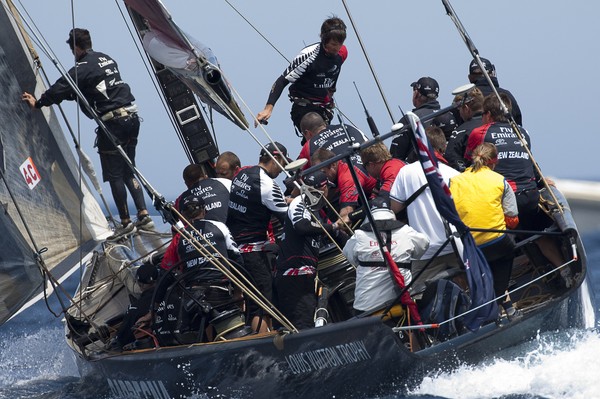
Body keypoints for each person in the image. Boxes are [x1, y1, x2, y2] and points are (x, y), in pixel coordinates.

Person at [21, 28, 151, 239]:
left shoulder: (82, 67)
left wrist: (39, 103)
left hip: (113, 124)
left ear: (76, 48)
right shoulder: (107, 59)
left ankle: (126, 222)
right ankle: (144, 215)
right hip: (132, 119)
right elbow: (95, 88)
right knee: (128, 169)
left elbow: (60, 88)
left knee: (115, 174)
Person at [465, 94, 565, 271]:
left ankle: (504, 292)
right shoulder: (522, 131)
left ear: (488, 114)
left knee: (498, 244)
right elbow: (529, 161)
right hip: (530, 197)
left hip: (505, 202)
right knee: (539, 233)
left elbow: (469, 162)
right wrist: (542, 182)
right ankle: (563, 268)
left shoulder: (479, 133)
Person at [158, 195, 244, 343]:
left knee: (196, 325)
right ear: (204, 211)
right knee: (234, 317)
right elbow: (237, 260)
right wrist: (238, 292)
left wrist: (153, 306)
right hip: (220, 291)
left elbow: (164, 273)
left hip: (193, 297)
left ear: (183, 215)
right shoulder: (219, 227)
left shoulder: (179, 237)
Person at [450, 142, 520, 318]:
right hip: (498, 242)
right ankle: (505, 307)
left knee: (481, 267)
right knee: (505, 250)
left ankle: (495, 307)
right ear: (494, 161)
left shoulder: (454, 182)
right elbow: (512, 219)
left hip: (471, 248)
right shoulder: (499, 180)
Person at [389, 129, 464, 295]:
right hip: (456, 245)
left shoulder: (406, 172)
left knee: (419, 296)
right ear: (442, 148)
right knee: (468, 288)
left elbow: (395, 208)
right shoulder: (455, 174)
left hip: (426, 253)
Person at [226, 142, 289, 332]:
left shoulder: (242, 175)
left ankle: (266, 336)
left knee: (259, 302)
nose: (283, 169)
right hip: (253, 252)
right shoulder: (267, 184)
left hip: (237, 249)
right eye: (283, 164)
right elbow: (287, 217)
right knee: (261, 304)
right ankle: (264, 346)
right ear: (276, 159)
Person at [255, 17, 348, 136]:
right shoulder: (309, 56)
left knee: (329, 141)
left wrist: (331, 91)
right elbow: (282, 81)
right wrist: (268, 108)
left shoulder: (342, 53)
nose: (337, 48)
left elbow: (333, 71)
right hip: (304, 107)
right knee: (318, 136)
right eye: (334, 44)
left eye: (341, 44)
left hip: (324, 108)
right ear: (324, 40)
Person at [275, 171, 344, 329]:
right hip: (293, 277)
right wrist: (333, 226)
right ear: (323, 188)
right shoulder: (301, 201)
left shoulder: (318, 211)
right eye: (328, 188)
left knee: (310, 324)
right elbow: (301, 226)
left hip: (306, 277)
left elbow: (336, 234)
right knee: (301, 327)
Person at [343, 198, 429, 314]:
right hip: (402, 300)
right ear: (390, 211)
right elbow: (424, 244)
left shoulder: (359, 235)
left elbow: (349, 256)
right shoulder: (406, 232)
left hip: (367, 305)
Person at [311, 147, 377, 224]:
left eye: (323, 173)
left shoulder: (347, 177)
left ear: (333, 165)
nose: (321, 177)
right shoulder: (339, 162)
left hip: (375, 198)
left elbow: (345, 216)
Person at [108, 262, 159, 351]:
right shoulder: (172, 292)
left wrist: (117, 340)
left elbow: (124, 335)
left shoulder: (136, 308)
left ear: (140, 284)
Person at [390, 76, 441, 162]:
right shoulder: (448, 115)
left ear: (417, 93)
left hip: (417, 169)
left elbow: (395, 157)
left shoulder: (409, 119)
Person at [296, 112, 368, 170]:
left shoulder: (309, 145)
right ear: (324, 124)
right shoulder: (348, 127)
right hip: (370, 169)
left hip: (347, 180)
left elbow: (297, 171)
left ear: (308, 133)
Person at [467, 57, 522, 126]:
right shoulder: (507, 96)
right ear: (492, 74)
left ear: (470, 78)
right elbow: (518, 124)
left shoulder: (465, 97)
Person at [445, 87, 484, 171]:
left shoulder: (460, 132)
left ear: (466, 108)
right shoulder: (495, 126)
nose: (459, 113)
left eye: (459, 109)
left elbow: (451, 160)